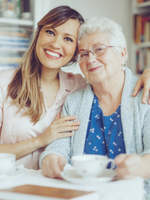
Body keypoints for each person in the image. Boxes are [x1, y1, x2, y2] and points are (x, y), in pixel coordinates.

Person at [0, 6, 149, 170]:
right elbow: (58, 149)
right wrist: (43, 144)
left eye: (68, 39)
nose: (56, 44)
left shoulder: (79, 87)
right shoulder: (4, 82)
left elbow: (112, 78)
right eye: (50, 32)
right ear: (38, 33)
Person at [40, 17, 150, 195]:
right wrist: (51, 159)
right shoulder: (74, 101)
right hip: (84, 195)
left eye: (99, 49)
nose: (90, 59)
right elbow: (59, 146)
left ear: (122, 53)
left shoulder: (145, 93)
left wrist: (142, 167)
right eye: (83, 54)